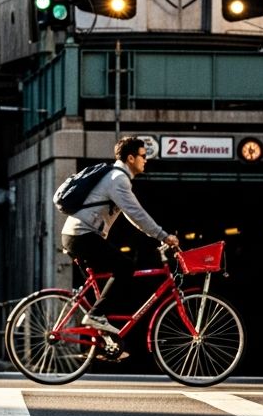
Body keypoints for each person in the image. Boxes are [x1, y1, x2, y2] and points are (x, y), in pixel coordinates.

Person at [61, 135, 179, 337]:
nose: (146, 160)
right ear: (131, 158)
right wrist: (163, 235)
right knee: (125, 267)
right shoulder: (118, 179)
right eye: (143, 155)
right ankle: (96, 316)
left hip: (78, 235)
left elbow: (132, 217)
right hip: (82, 235)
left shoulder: (115, 178)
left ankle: (107, 343)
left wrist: (157, 235)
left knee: (105, 290)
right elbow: (136, 213)